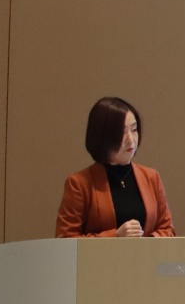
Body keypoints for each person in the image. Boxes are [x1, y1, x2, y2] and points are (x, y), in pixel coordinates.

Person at [55, 97, 176, 238]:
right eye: (122, 132)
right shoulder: (79, 184)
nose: (131, 139)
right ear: (102, 136)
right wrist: (116, 236)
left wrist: (147, 242)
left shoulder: (151, 177)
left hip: (147, 253)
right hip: (101, 254)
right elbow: (66, 238)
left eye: (134, 129)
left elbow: (168, 229)